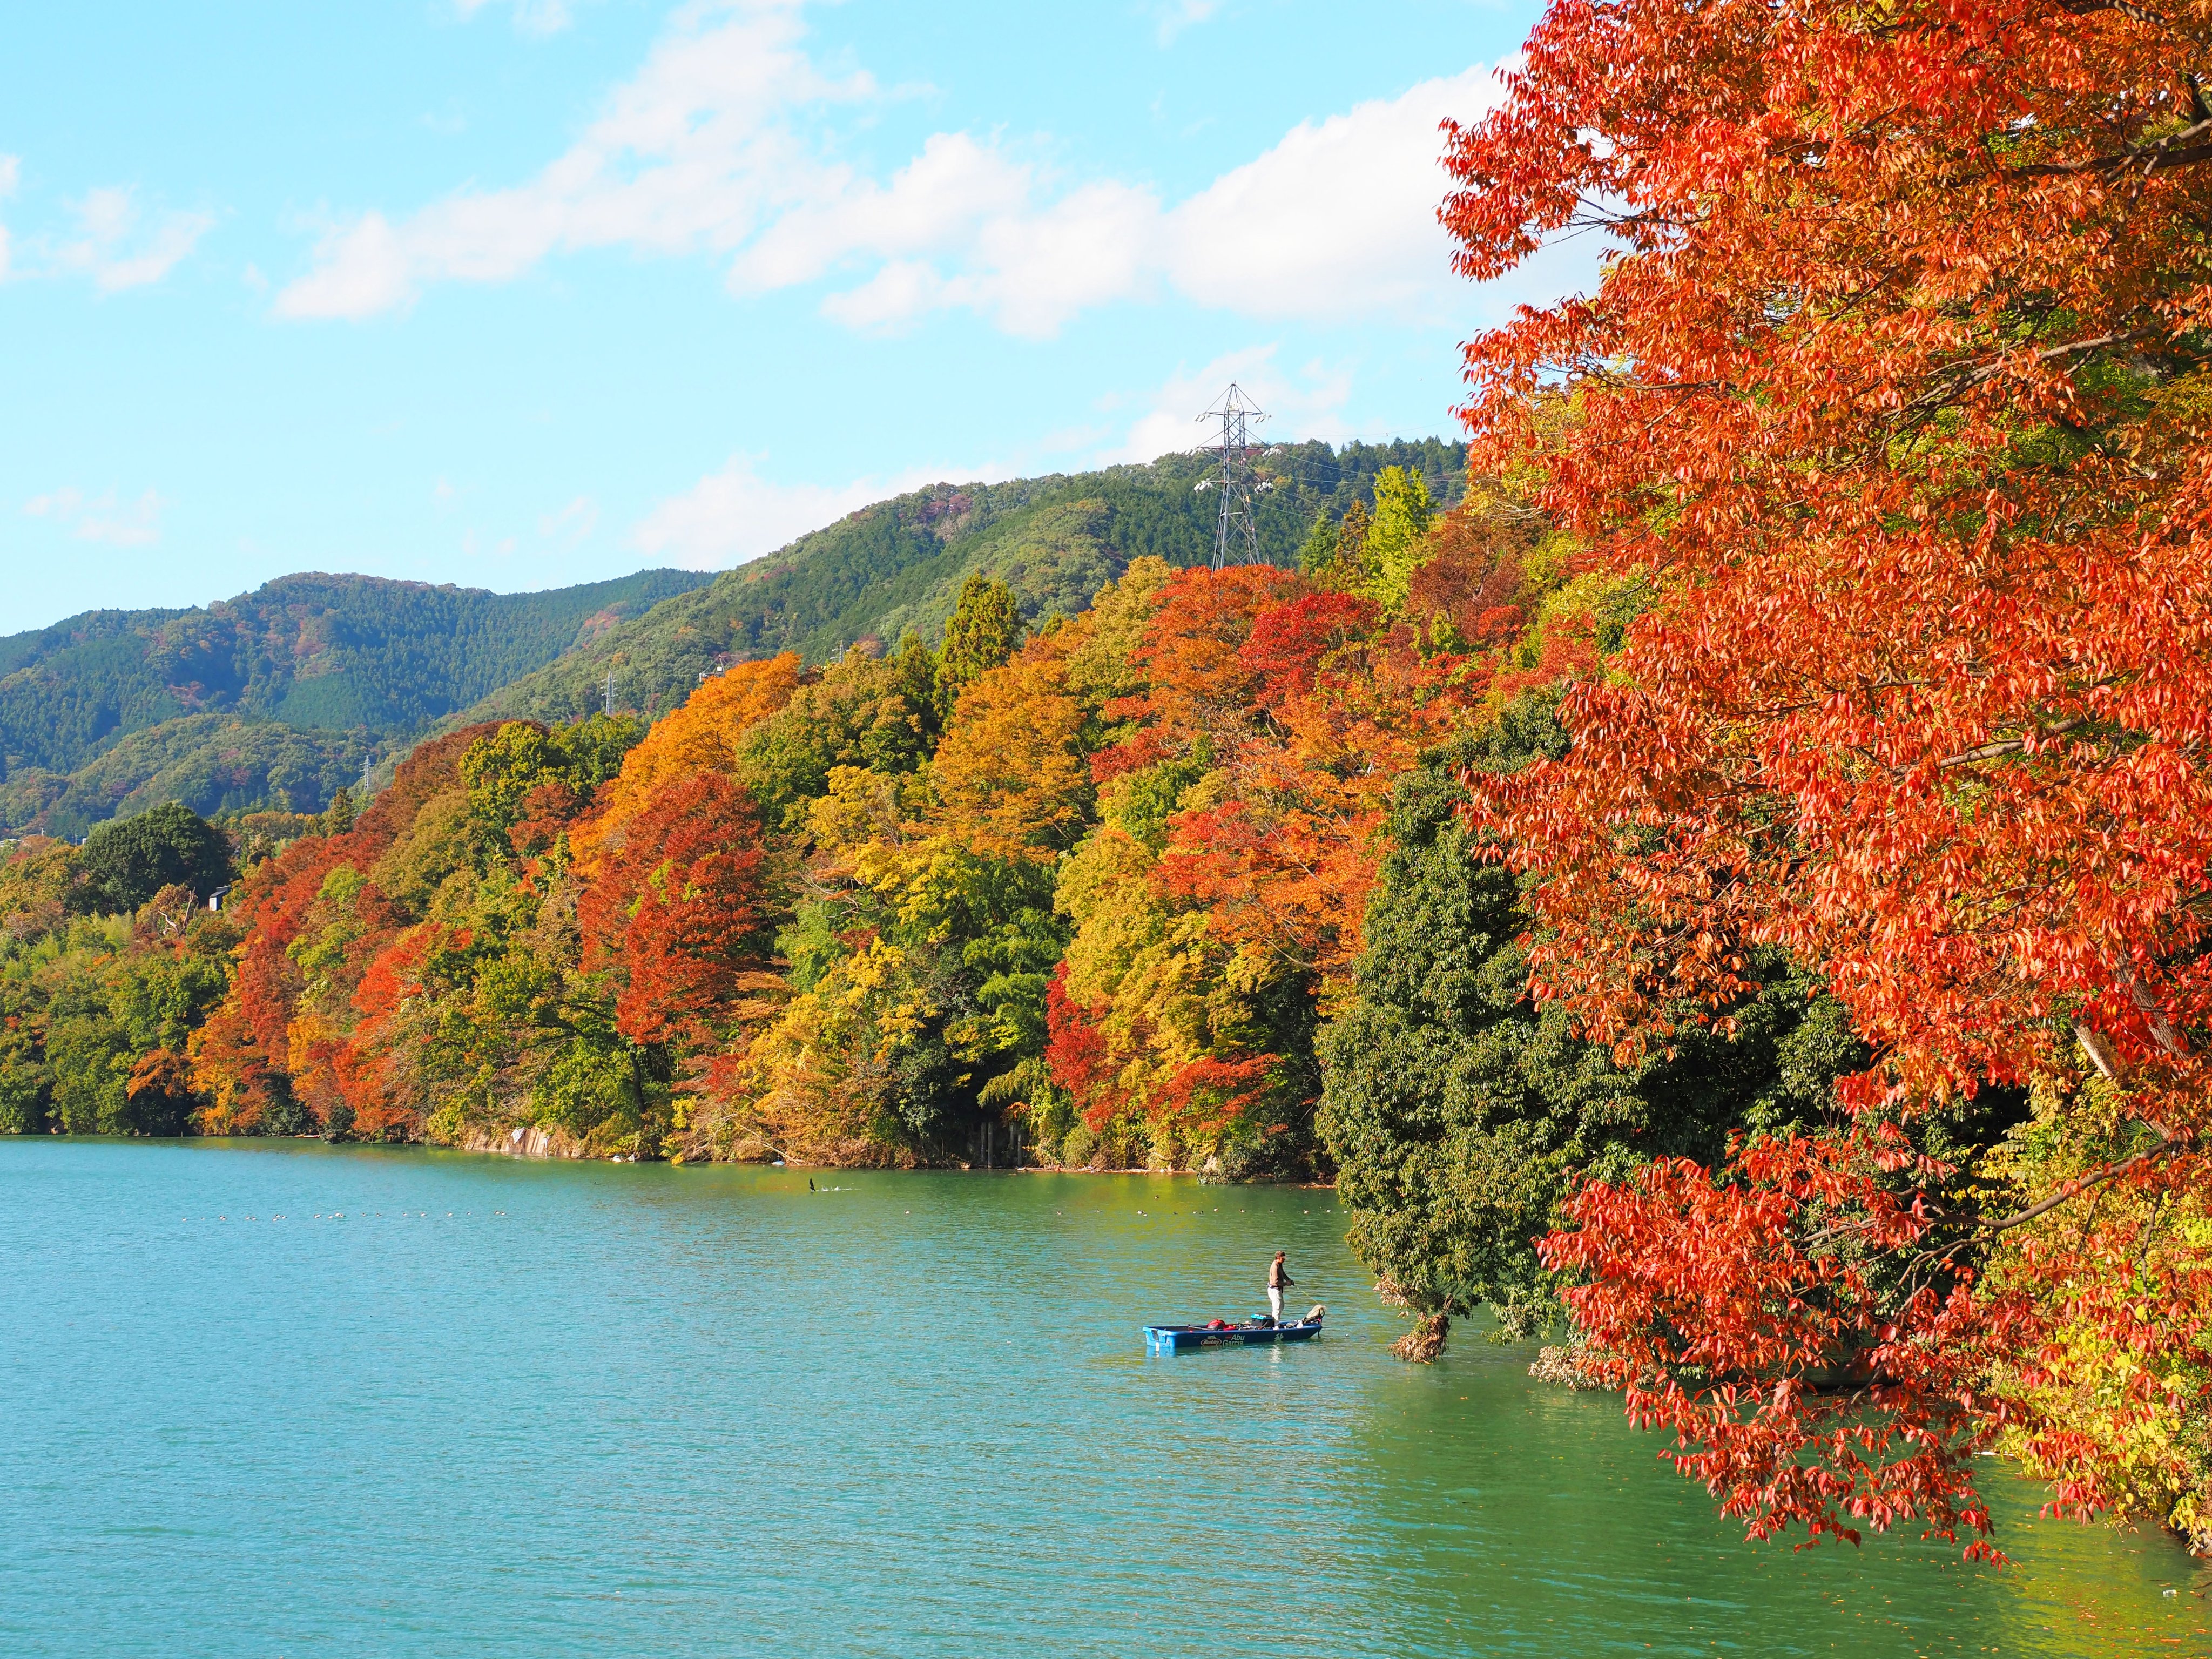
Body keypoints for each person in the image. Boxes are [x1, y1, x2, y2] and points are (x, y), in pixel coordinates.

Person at [1267, 1251, 1296, 1324]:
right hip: (1274, 1290)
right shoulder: (1275, 1267)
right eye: (1283, 1259)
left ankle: (1274, 1322)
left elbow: (1283, 1274)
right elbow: (1276, 1282)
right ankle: (1275, 1325)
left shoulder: (1280, 1264)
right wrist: (1286, 1284)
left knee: (1281, 1306)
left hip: (1278, 1290)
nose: (1284, 1260)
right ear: (1278, 1258)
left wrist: (1289, 1280)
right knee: (1277, 1308)